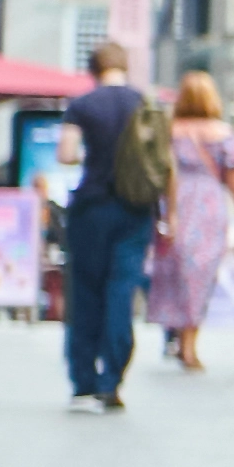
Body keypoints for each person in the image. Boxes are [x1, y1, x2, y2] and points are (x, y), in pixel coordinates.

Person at [57, 40, 161, 409]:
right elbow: (165, 163)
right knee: (122, 291)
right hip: (136, 210)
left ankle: (83, 382)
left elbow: (66, 154)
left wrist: (90, 155)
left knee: (86, 292)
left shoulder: (83, 105)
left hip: (92, 208)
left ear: (93, 69)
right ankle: (111, 379)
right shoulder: (144, 104)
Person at [144, 73, 234, 372]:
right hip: (208, 205)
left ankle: (177, 333)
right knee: (201, 274)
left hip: (174, 203)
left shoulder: (169, 131)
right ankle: (189, 342)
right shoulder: (222, 133)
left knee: (174, 272)